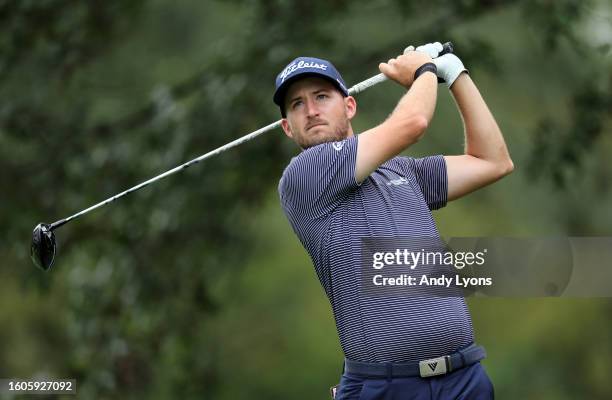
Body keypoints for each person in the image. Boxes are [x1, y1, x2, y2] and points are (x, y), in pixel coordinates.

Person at [274, 42, 513, 400]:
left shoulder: (402, 172)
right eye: (297, 104)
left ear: (349, 105)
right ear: (287, 128)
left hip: (464, 379)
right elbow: (413, 123)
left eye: (321, 96)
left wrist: (456, 75)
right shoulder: (304, 176)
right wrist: (424, 72)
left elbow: (493, 161)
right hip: (388, 387)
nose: (310, 110)